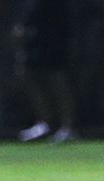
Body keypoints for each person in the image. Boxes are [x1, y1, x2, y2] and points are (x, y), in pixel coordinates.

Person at [13, 0, 77, 144]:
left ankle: (68, 127)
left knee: (57, 80)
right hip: (34, 40)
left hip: (53, 39)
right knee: (32, 78)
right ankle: (45, 123)